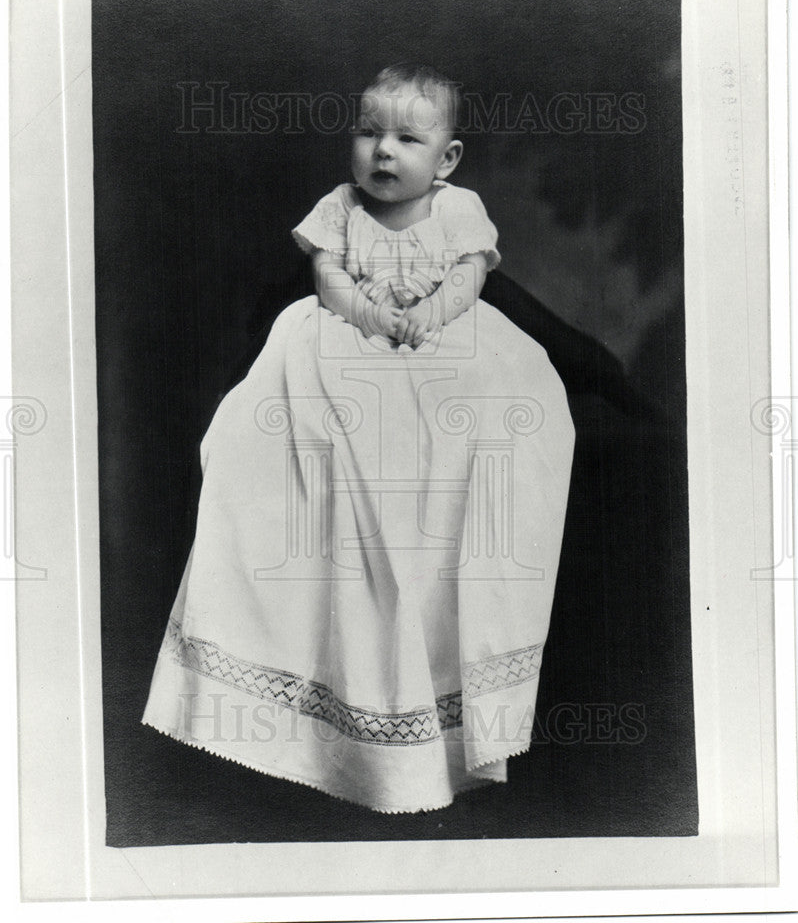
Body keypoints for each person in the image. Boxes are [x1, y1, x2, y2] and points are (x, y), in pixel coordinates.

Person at [143, 63, 575, 814]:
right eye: (370, 132)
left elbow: (469, 278)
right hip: (346, 332)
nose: (383, 152)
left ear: (446, 159)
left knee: (508, 391)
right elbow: (328, 277)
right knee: (272, 419)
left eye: (407, 139)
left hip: (439, 333)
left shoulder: (460, 209)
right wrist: (372, 315)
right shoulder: (339, 208)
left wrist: (431, 315)